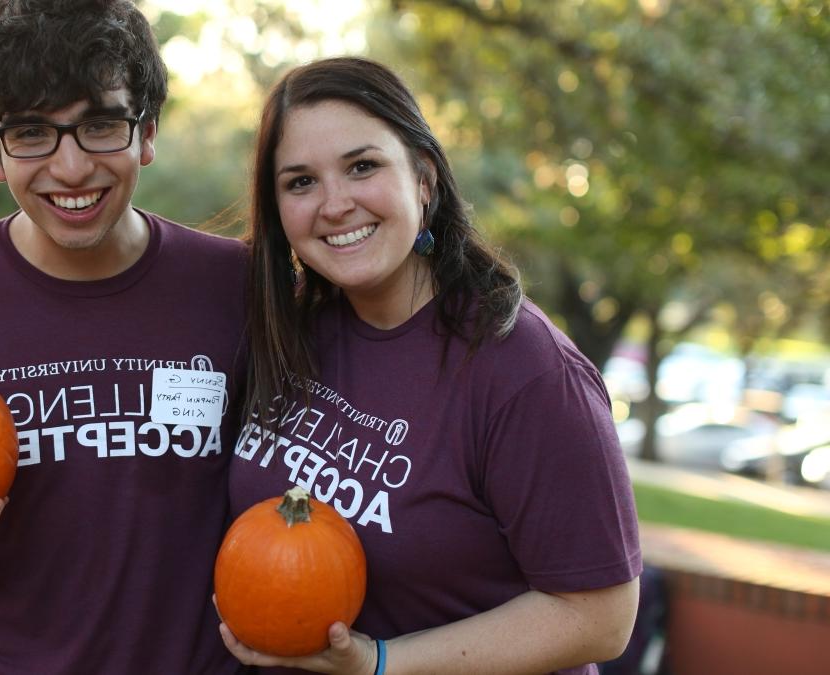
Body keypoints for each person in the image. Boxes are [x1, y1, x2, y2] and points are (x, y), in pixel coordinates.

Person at [0, 1, 248, 673]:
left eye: (101, 125)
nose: (70, 169)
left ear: (147, 132)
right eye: (32, 132)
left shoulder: (236, 286)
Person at [224, 57, 641, 675]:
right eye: (300, 182)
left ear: (424, 179)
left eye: (362, 167)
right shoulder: (292, 331)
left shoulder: (525, 370)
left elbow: (601, 617)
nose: (334, 204)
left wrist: (383, 664)